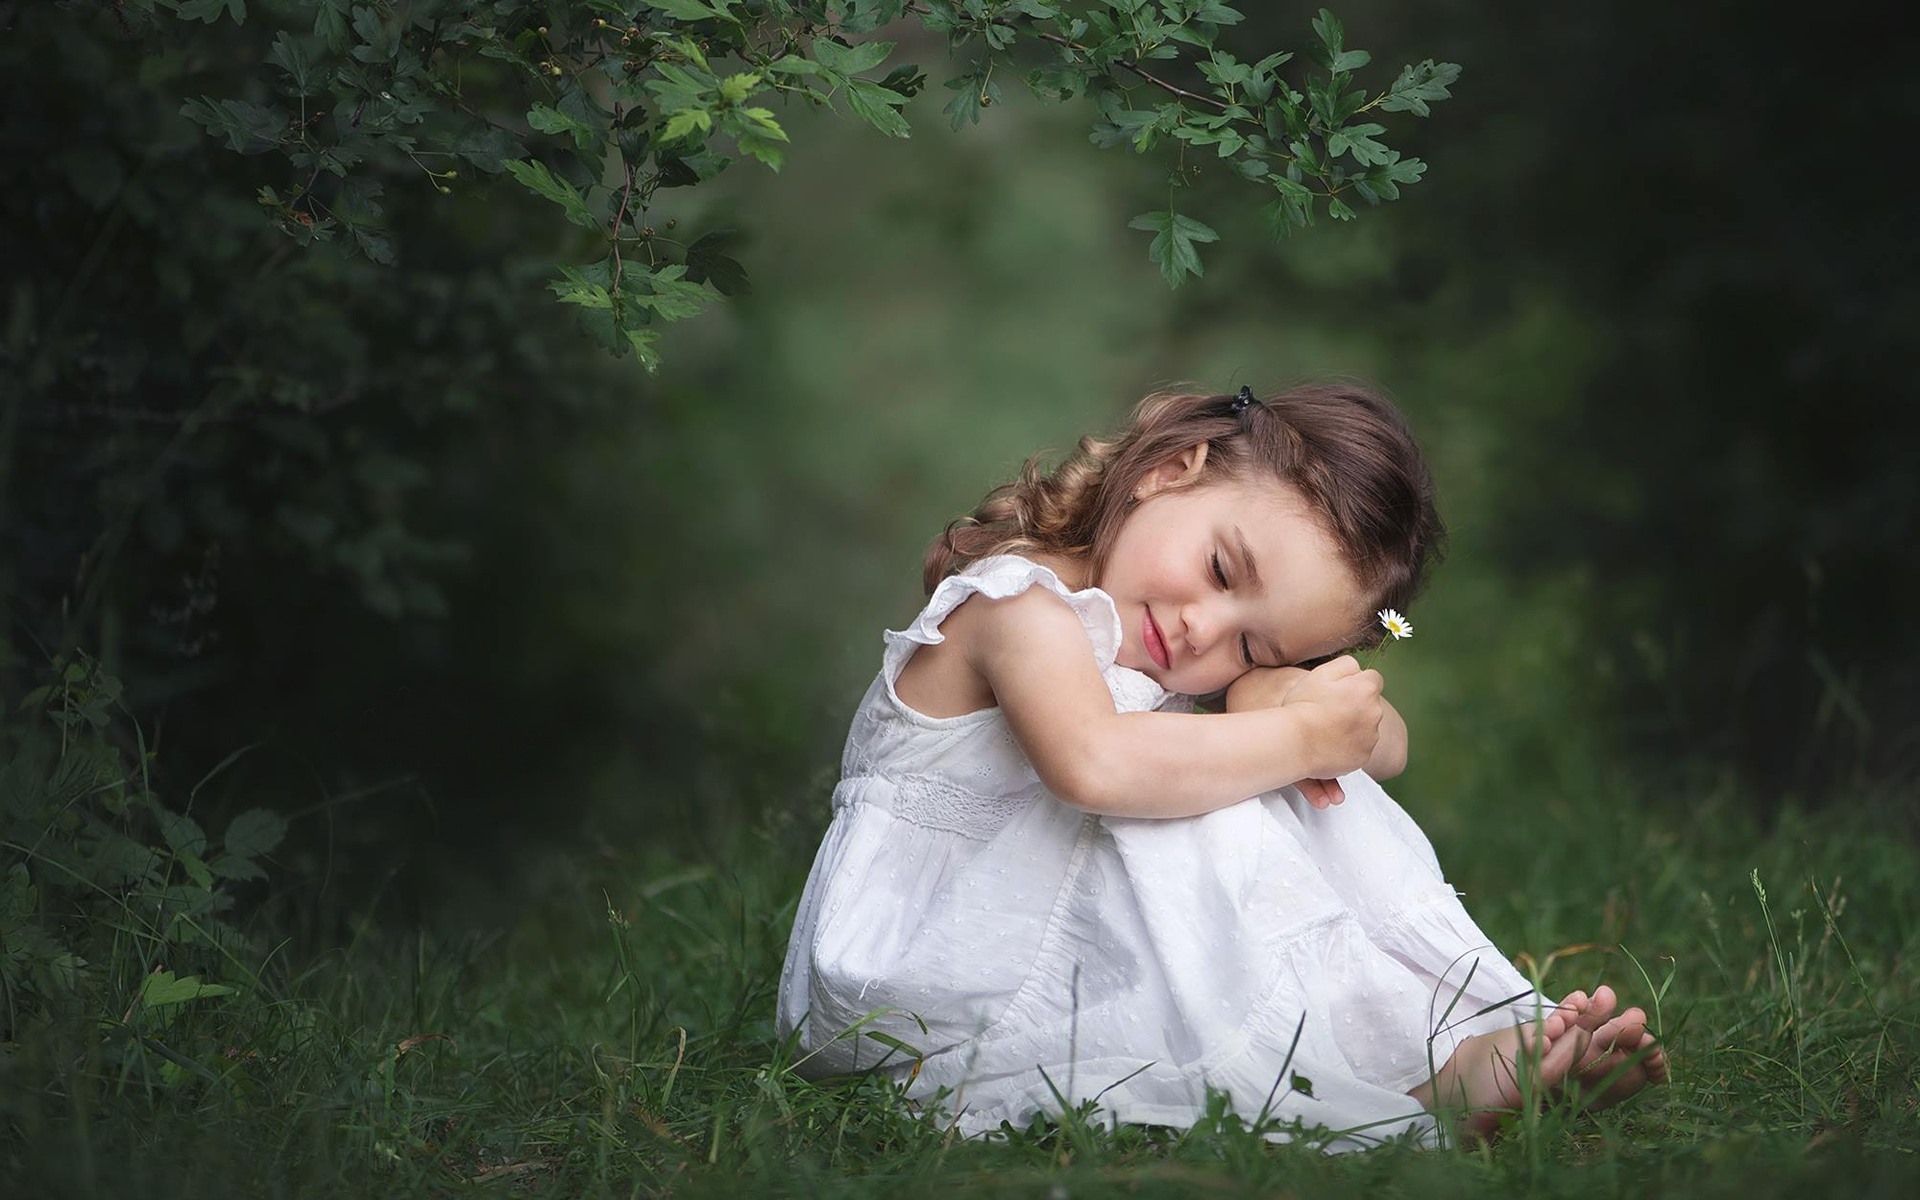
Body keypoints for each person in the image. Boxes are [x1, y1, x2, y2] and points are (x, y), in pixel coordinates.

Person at [775, 382, 1668, 1148]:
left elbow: (1381, 745)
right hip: (916, 988)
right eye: (1218, 567)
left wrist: (1293, 705)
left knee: (1286, 778)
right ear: (1171, 470)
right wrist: (1294, 736)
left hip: (1034, 959)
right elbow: (1097, 763)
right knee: (1221, 793)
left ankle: (1442, 1048)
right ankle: (1400, 1084)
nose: (1205, 628)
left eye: (1252, 640)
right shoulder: (1020, 607)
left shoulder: (1166, 659)